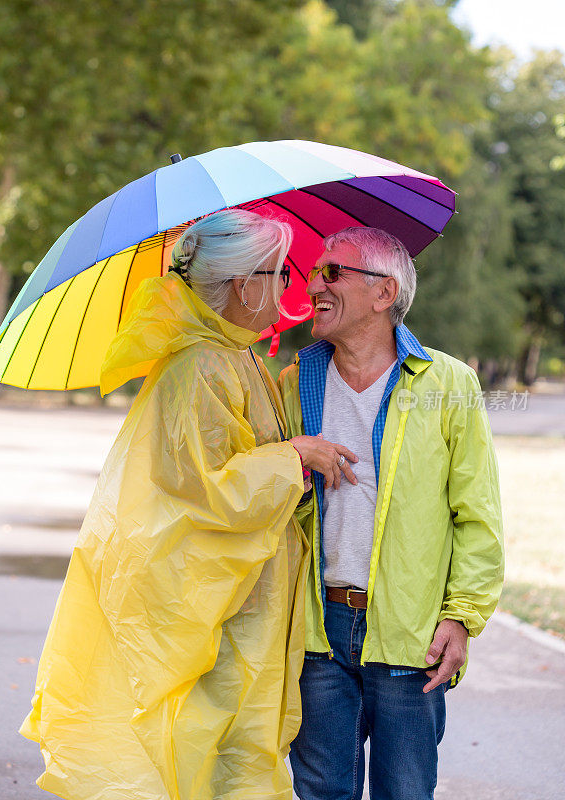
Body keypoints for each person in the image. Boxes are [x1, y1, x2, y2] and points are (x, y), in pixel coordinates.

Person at [19, 209, 357, 800]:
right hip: (214, 611)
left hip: (243, 601)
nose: (289, 287)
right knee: (202, 754)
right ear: (240, 285)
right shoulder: (199, 366)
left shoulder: (237, 357)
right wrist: (294, 456)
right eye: (277, 274)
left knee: (231, 754)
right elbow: (206, 493)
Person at [278, 226, 504, 800]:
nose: (314, 284)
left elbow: (477, 516)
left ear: (385, 293)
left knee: (404, 793)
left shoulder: (449, 384)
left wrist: (463, 617)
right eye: (314, 272)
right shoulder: (291, 384)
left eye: (332, 272)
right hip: (318, 634)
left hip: (413, 635)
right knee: (321, 793)